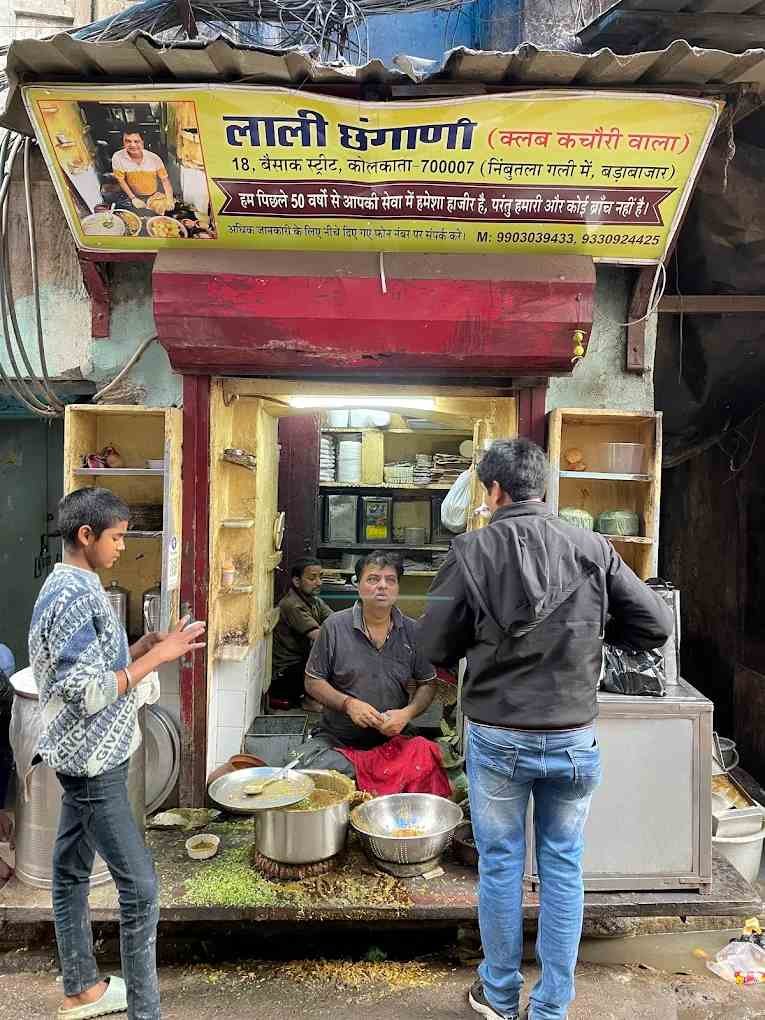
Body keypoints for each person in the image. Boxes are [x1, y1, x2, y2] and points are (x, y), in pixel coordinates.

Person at [418, 439, 673, 1020]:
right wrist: (595, 633)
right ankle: (552, 1007)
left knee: (501, 865)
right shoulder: (594, 547)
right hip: (573, 737)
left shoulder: (469, 551)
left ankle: (499, 997)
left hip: (498, 736)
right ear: (542, 489)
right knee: (562, 867)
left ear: (494, 491)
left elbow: (433, 645)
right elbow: (655, 625)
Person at [29, 488, 205, 1020]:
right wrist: (158, 658)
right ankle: (144, 1012)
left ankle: (82, 988)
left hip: (84, 757)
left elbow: (88, 672)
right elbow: (86, 694)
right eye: (117, 537)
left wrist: (142, 647)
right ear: (86, 536)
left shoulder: (75, 585)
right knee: (141, 890)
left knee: (69, 872)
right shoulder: (73, 596)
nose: (123, 546)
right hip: (93, 765)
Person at [297, 551, 438, 778]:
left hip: (393, 739)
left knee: (428, 759)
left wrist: (406, 713)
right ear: (358, 585)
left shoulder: (413, 631)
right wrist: (348, 704)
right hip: (338, 740)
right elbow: (313, 681)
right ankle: (372, 775)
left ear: (397, 588)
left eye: (390, 580)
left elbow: (428, 683)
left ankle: (374, 775)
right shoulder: (334, 627)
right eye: (373, 579)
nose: (382, 586)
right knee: (306, 767)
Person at [270, 558, 332, 711]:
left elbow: (336, 621)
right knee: (331, 656)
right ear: (297, 581)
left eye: (320, 577)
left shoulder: (315, 601)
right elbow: (319, 636)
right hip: (286, 674)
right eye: (312, 578)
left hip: (302, 666)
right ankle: (309, 701)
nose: (319, 582)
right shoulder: (292, 604)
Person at [112, 130, 174, 213]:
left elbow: (164, 180)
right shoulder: (118, 157)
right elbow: (121, 180)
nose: (132, 145)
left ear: (143, 142)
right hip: (129, 196)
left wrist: (170, 199)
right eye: (128, 141)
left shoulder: (154, 158)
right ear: (123, 142)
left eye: (136, 141)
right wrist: (133, 198)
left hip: (153, 196)